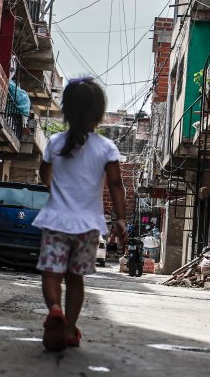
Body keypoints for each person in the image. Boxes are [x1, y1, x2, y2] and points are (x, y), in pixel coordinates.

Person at [33, 77, 127, 352]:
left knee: (52, 273)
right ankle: (69, 329)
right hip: (87, 226)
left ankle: (54, 310)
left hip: (56, 221)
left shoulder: (54, 142)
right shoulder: (106, 148)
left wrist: (55, 189)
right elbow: (116, 185)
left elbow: (44, 173)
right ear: (98, 114)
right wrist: (120, 219)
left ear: (67, 111)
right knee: (75, 278)